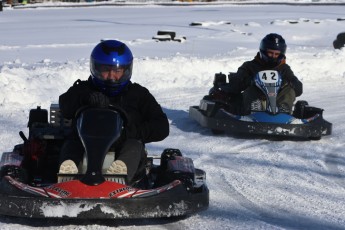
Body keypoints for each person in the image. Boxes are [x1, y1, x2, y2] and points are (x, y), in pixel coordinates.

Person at [58, 40, 169, 184]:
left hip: (123, 146)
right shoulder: (84, 89)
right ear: (96, 68)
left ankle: (118, 178)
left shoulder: (138, 94)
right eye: (106, 70)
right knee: (71, 144)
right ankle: (68, 175)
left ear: (126, 70)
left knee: (134, 146)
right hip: (84, 143)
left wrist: (128, 133)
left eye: (117, 71)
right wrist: (86, 98)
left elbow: (161, 127)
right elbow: (65, 106)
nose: (111, 76)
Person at [211, 33, 303, 115]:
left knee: (289, 90)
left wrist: (293, 83)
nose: (273, 56)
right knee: (251, 90)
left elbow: (298, 90)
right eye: (270, 53)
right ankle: (254, 111)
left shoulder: (284, 69)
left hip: (276, 103)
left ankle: (284, 112)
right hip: (254, 100)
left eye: (276, 54)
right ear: (263, 51)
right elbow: (236, 84)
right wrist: (250, 81)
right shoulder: (249, 66)